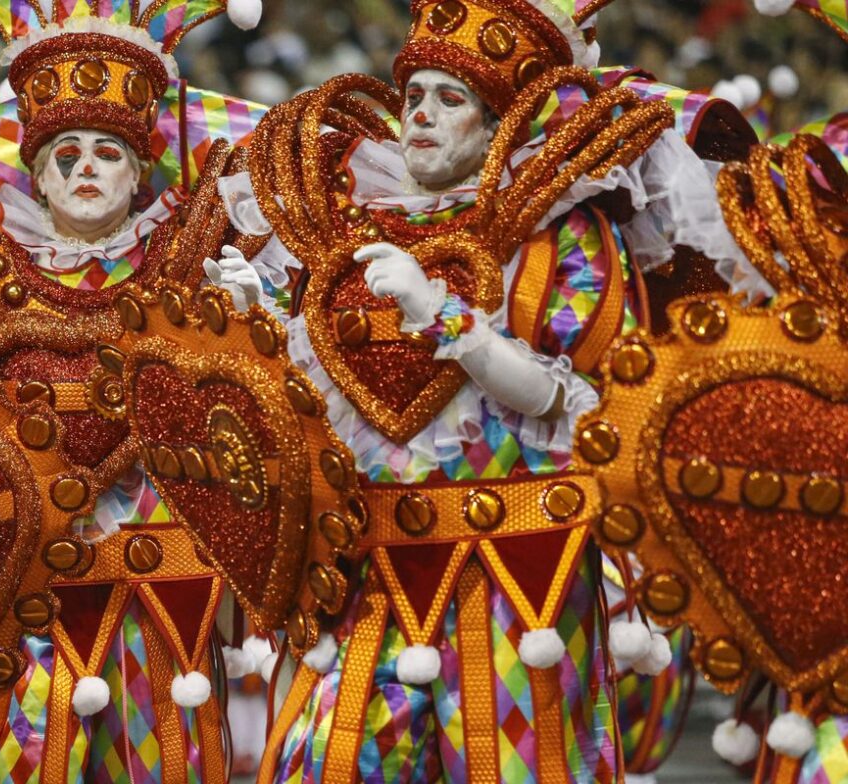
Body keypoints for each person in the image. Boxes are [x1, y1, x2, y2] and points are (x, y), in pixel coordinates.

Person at [205, 0, 753, 779]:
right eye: (414, 97)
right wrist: (254, 323)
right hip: (371, 577)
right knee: (325, 761)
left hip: (515, 578)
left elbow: (568, 399)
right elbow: (313, 411)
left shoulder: (561, 229)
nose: (421, 114)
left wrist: (443, 318)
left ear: (498, 125)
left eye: (450, 98)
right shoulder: (355, 232)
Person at [0, 0, 262, 778]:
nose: (87, 167)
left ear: (140, 174)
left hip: (160, 607)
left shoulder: (193, 272)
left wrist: (244, 324)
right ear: (34, 172)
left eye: (108, 150)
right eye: (66, 152)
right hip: (19, 607)